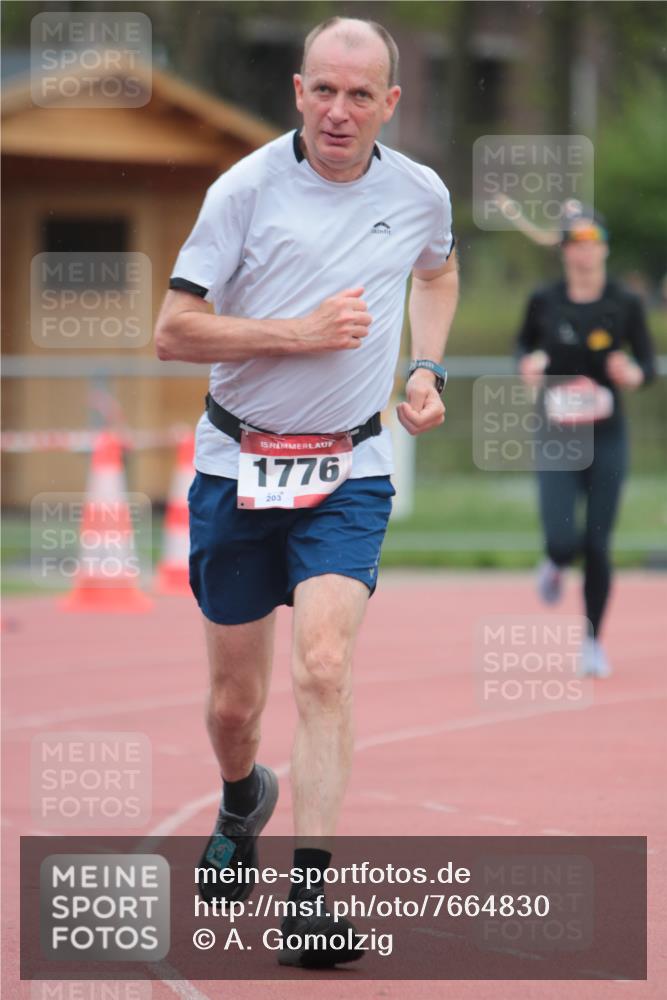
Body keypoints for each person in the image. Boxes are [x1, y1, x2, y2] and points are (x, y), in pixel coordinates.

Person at [155, 16, 458, 967]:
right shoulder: (243, 188)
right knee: (234, 707)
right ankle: (243, 795)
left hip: (350, 468)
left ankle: (311, 902)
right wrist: (299, 333)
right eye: (323, 90)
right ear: (297, 90)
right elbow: (173, 331)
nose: (338, 111)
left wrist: (426, 370)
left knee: (323, 668)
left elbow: (438, 273)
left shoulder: (419, 192)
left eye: (359, 95)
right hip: (236, 466)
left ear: (388, 105)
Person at [516, 211, 655, 677]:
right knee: (562, 539)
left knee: (597, 543)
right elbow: (521, 346)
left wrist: (632, 374)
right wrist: (530, 363)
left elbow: (648, 364)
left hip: (607, 435)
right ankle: (554, 563)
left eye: (594, 238)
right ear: (564, 250)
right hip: (558, 432)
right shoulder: (544, 300)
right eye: (575, 240)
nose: (585, 247)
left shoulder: (625, 302)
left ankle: (593, 640)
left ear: (605, 247)